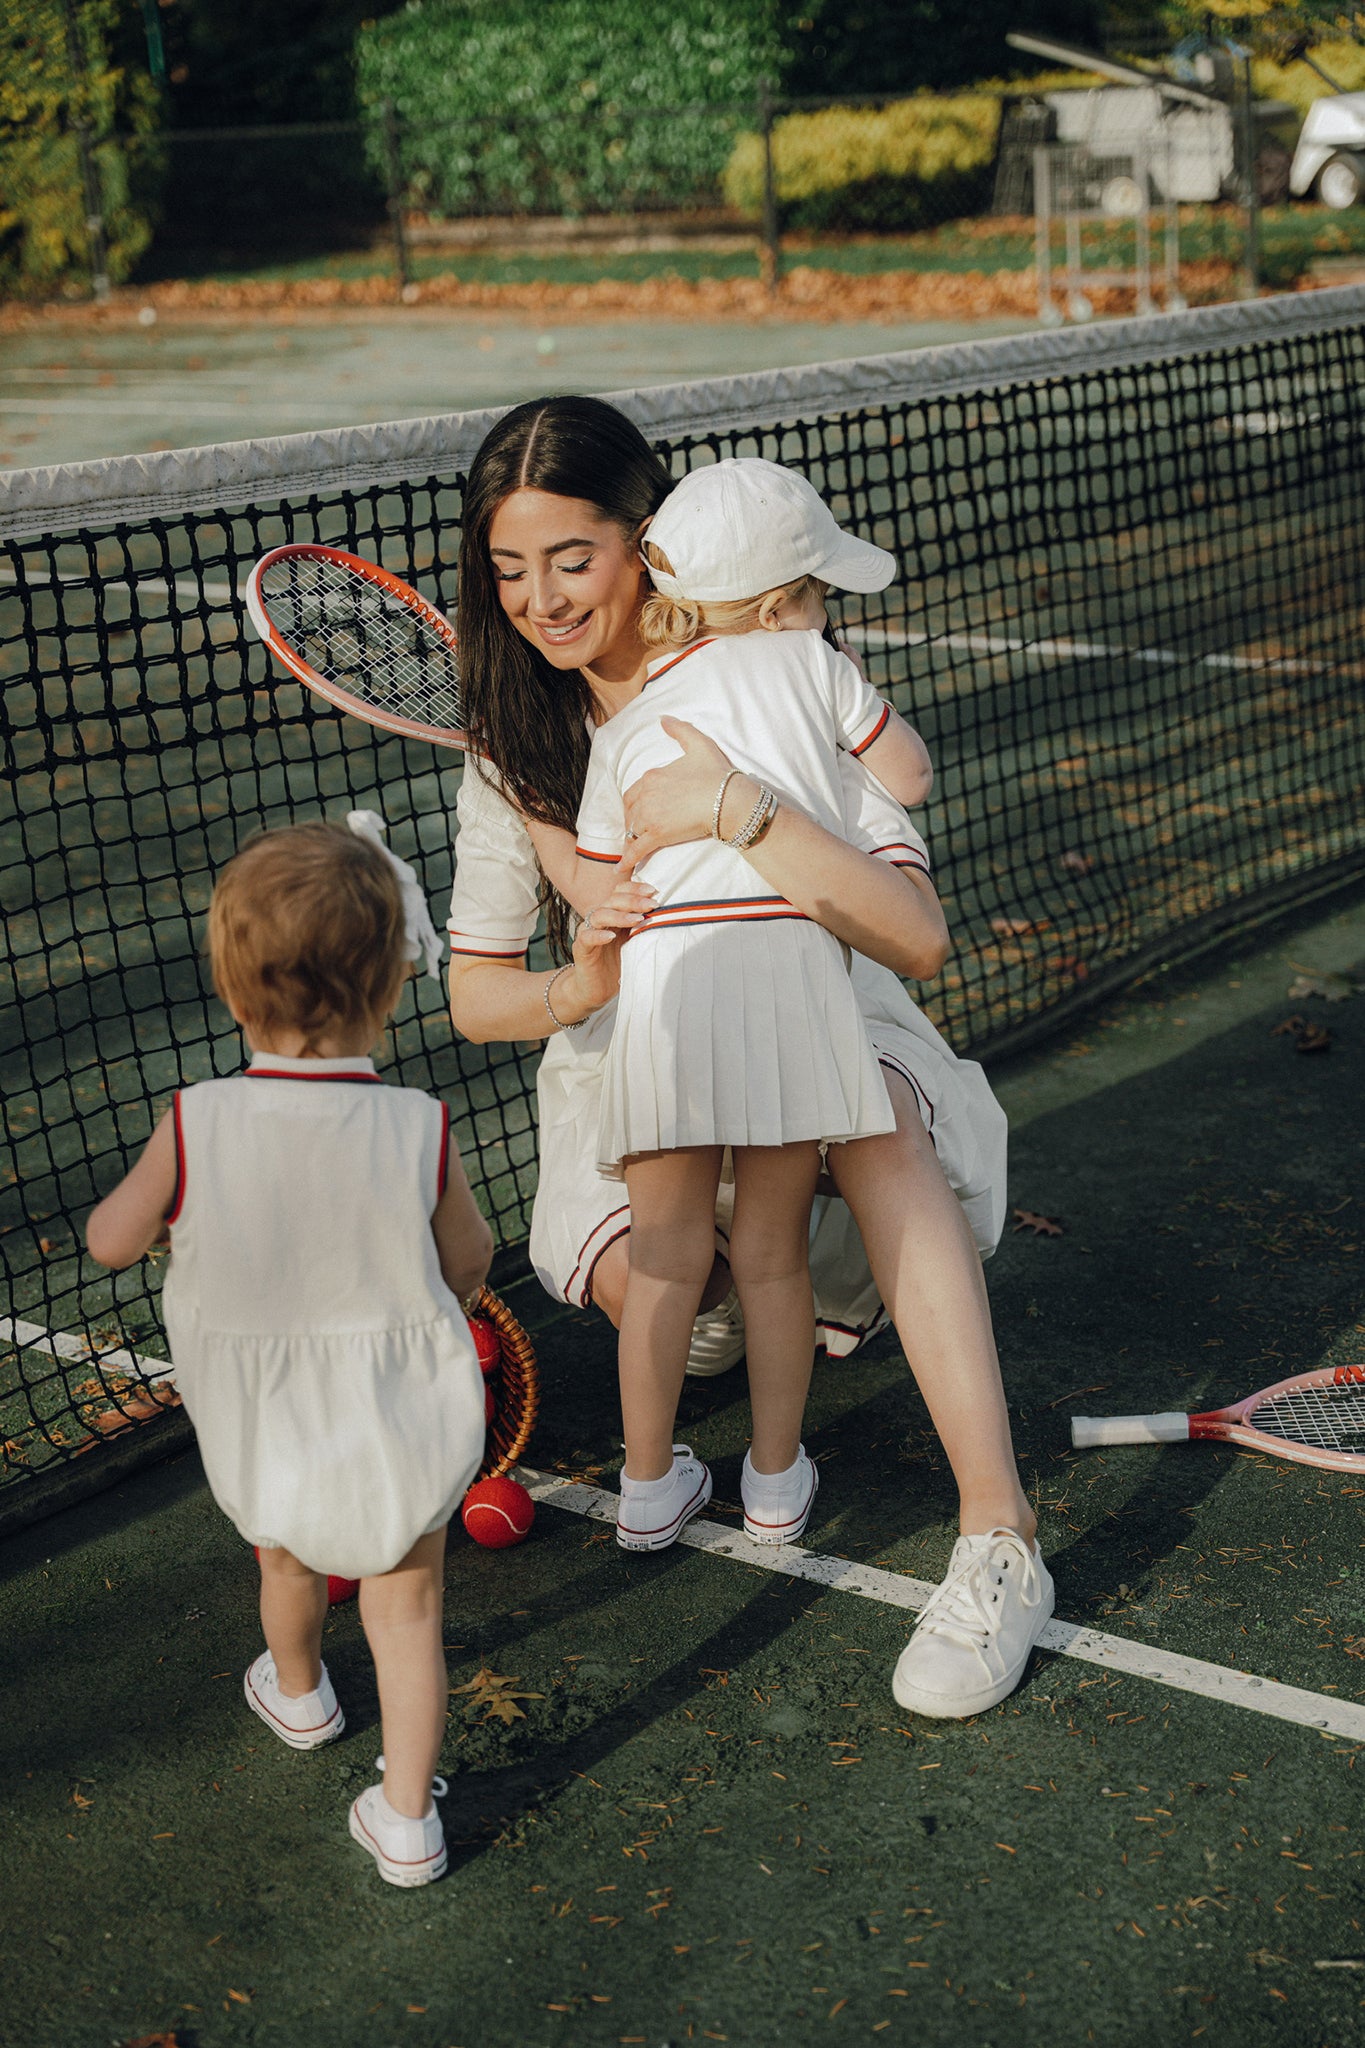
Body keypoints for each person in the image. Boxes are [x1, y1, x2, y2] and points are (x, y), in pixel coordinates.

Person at [448, 395, 1054, 1718]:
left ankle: (996, 1534)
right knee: (696, 1316)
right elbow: (478, 998)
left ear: (648, 544)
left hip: (824, 1015)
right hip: (632, 1071)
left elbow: (908, 932)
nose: (541, 600)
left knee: (875, 1127)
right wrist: (586, 969)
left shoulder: (789, 665)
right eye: (507, 571)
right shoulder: (512, 764)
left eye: (571, 558)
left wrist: (733, 805)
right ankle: (791, 1343)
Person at [86, 814, 493, 1887]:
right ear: (390, 988)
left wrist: (180, 1210)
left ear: (232, 989)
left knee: (286, 1555)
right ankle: (407, 1819)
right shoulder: (419, 1124)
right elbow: (468, 1259)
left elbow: (108, 1238)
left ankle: (303, 1690)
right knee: (409, 1610)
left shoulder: (196, 1117)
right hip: (402, 1410)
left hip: (267, 1421)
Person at [542, 456, 939, 1554]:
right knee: (771, 1255)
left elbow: (600, 874)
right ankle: (773, 1481)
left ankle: (647, 1482)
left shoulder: (630, 723)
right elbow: (905, 776)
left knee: (670, 1254)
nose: (821, 611)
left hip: (671, 993)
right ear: (782, 606)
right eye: (816, 592)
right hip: (788, 987)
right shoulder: (813, 663)